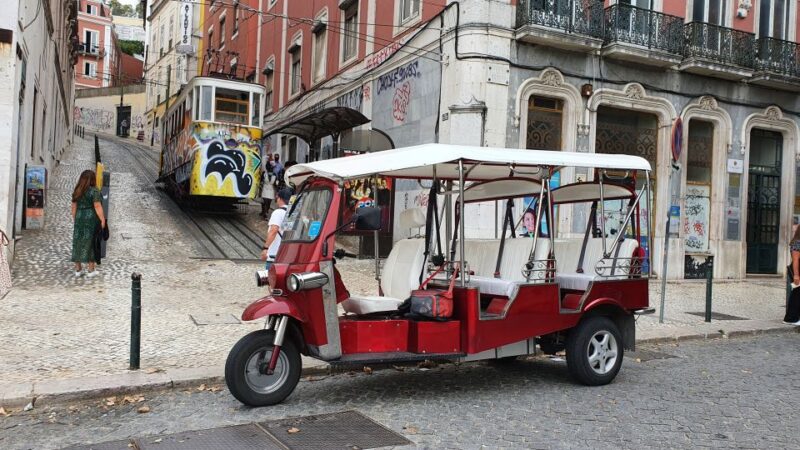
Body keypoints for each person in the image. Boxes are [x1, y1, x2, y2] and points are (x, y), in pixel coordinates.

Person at [71, 170, 106, 278]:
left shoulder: (78, 190)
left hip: (79, 217)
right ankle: (91, 270)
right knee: (92, 242)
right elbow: (97, 206)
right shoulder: (94, 191)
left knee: (78, 242)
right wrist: (102, 219)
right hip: (91, 218)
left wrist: (75, 218)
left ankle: (78, 269)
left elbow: (73, 206)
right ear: (93, 179)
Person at [260, 187, 292, 267]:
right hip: (287, 254)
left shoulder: (278, 212)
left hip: (274, 254)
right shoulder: (293, 213)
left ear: (280, 198)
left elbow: (273, 230)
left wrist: (265, 248)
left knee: (270, 278)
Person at [784, 226, 800, 325]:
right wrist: (796, 275)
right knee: (796, 295)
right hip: (798, 271)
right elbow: (795, 260)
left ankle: (796, 317)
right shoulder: (797, 243)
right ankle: (790, 318)